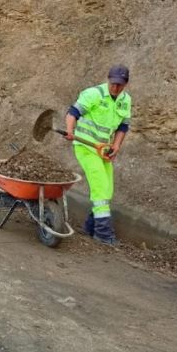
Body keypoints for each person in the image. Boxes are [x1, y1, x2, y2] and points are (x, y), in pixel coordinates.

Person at [65, 65, 132, 246]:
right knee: (100, 187)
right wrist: (70, 130)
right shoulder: (94, 94)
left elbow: (122, 127)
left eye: (120, 84)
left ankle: (90, 227)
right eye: (113, 83)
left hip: (103, 150)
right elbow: (73, 113)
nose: (115, 88)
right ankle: (103, 234)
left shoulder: (125, 100)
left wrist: (116, 146)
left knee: (107, 189)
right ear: (108, 79)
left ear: (125, 84)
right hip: (85, 147)